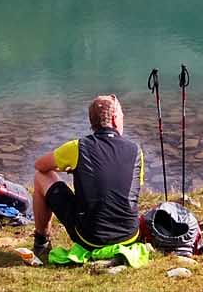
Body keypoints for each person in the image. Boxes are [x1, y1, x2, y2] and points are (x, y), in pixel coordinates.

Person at [30, 95, 144, 260]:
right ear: (113, 119)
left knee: (41, 177)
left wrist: (71, 167)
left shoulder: (78, 147)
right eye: (121, 115)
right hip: (129, 235)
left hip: (90, 238)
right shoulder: (136, 151)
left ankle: (41, 242)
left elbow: (40, 166)